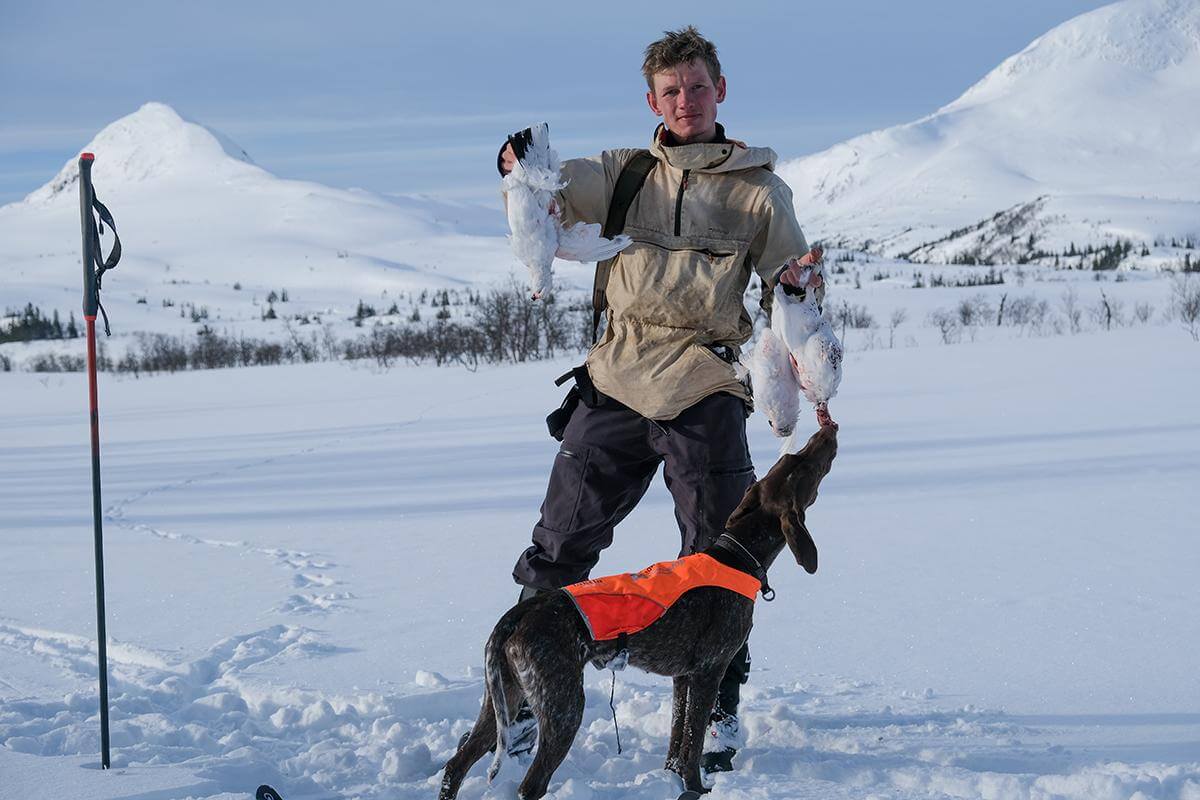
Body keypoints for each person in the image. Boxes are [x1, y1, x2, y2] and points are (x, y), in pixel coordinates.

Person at [498, 25, 824, 773]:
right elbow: (539, 183)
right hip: (613, 377)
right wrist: (511, 163)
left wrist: (805, 323)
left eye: (698, 86)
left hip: (703, 382)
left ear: (721, 91)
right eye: (671, 90)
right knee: (559, 547)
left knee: (721, 560)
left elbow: (792, 289)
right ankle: (516, 706)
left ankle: (716, 710)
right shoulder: (620, 174)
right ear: (653, 99)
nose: (686, 101)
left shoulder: (760, 193)